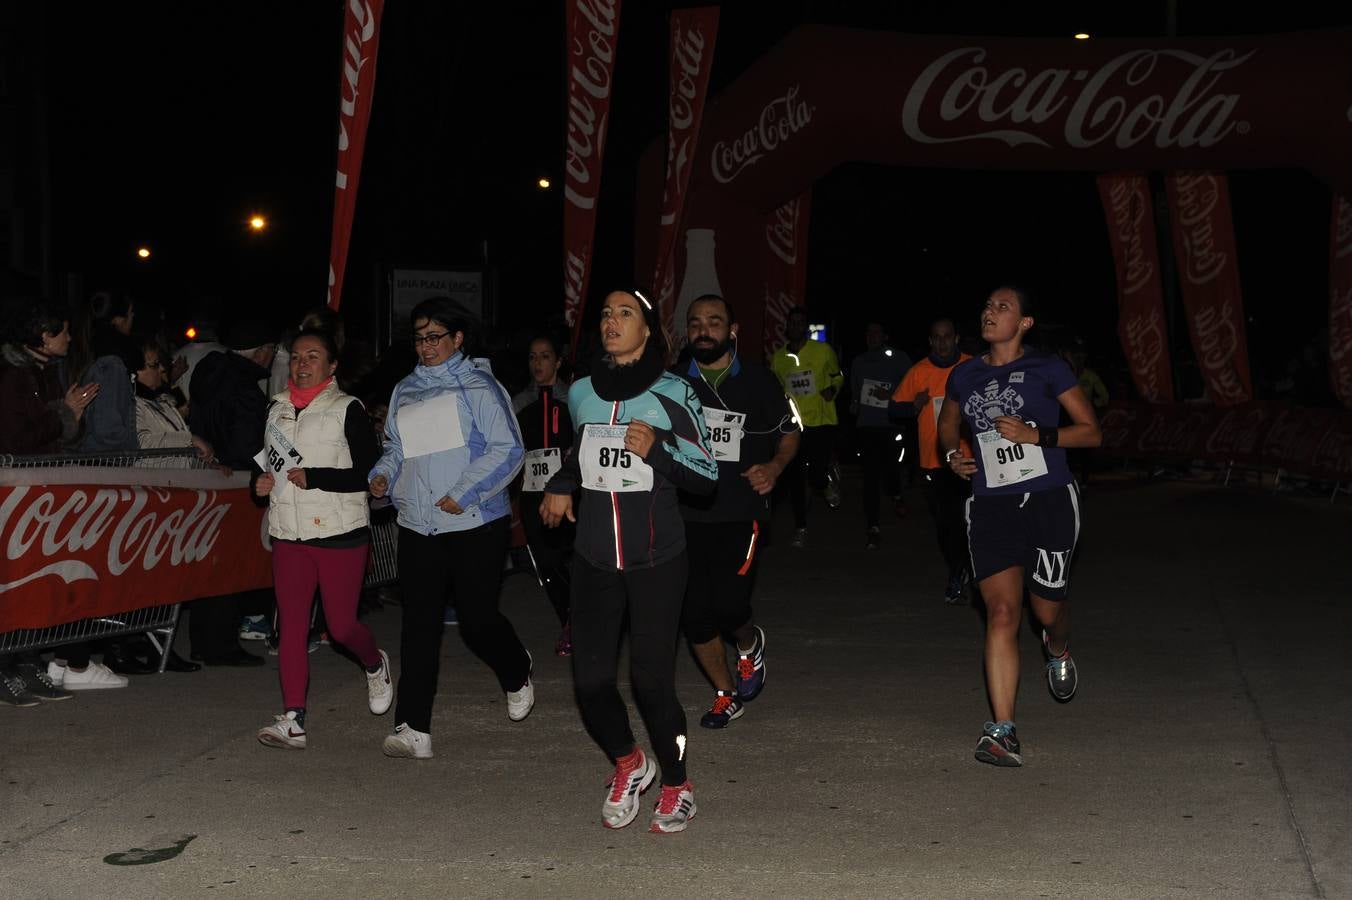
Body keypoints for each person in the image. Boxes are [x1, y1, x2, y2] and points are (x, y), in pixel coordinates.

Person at [541, 289, 717, 834]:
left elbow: (706, 475)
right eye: (606, 313)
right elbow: (581, 450)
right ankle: (628, 762)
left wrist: (658, 449)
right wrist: (563, 484)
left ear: (648, 330)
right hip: (594, 558)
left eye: (625, 313)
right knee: (590, 683)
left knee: (651, 684)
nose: (612, 321)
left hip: (656, 559)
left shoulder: (675, 391)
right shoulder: (581, 392)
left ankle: (676, 781)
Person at [938, 286, 1101, 767]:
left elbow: (1091, 432)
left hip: (1049, 500)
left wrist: (1037, 435)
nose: (990, 312)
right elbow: (948, 423)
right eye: (987, 305)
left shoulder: (1049, 367)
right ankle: (1002, 730)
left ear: (1025, 323)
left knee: (1046, 612)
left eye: (1003, 307)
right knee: (1003, 614)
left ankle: (1059, 646)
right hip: (990, 504)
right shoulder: (964, 373)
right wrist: (952, 454)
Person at [368, 298, 532, 760]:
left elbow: (507, 449)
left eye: (434, 336)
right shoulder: (406, 389)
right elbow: (396, 447)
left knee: (478, 620)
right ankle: (413, 727)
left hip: (474, 520)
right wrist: (381, 475)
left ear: (458, 339)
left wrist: (463, 492)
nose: (425, 346)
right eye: (419, 338)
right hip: (419, 523)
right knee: (419, 625)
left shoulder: (479, 386)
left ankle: (517, 669)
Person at [252, 329, 392, 749]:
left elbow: (369, 474)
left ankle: (374, 662)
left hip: (338, 533)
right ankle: (293, 718)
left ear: (332, 366)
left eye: (313, 356)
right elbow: (267, 470)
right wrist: (256, 486)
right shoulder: (274, 409)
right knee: (292, 628)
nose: (302, 363)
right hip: (288, 534)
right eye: (296, 356)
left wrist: (318, 478)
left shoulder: (347, 408)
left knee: (341, 625)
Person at [677, 295, 798, 729]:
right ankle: (725, 694)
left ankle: (749, 645)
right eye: (695, 324)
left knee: (729, 606)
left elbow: (790, 434)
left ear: (733, 331)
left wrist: (775, 467)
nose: (703, 331)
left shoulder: (761, 382)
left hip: (740, 509)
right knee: (693, 613)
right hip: (684, 512)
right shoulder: (671, 382)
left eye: (714, 322)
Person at [0, 297, 93, 702]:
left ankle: (27, 662)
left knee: (35, 582)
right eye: (63, 331)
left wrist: (68, 416)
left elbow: (58, 434)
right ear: (43, 336)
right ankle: (6, 669)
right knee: (13, 583)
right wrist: (63, 414)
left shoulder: (45, 371)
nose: (70, 338)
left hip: (37, 494)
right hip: (14, 494)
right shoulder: (11, 376)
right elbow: (15, 439)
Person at [184, 318, 276, 667]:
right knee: (231, 565)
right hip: (235, 481)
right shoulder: (244, 388)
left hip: (207, 479)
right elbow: (245, 442)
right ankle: (220, 644)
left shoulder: (210, 374)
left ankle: (203, 641)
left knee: (209, 563)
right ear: (262, 352)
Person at [891, 318, 974, 603]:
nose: (942, 342)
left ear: (957, 338)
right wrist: (912, 406)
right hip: (934, 461)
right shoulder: (919, 371)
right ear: (930, 341)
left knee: (970, 521)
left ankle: (965, 574)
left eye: (947, 336)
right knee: (945, 524)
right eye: (936, 337)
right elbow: (894, 406)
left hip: (971, 459)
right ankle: (957, 571)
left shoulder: (973, 367)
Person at [513, 334, 575, 655]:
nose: (538, 364)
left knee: (578, 560)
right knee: (547, 564)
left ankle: (582, 618)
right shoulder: (519, 403)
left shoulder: (575, 398)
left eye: (545, 357)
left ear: (558, 361)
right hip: (533, 495)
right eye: (533, 357)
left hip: (571, 495)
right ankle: (569, 621)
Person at [770, 307, 842, 548]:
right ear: (787, 327)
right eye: (793, 322)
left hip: (822, 420)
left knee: (816, 476)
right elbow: (776, 390)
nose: (797, 326)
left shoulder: (823, 351)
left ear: (807, 327)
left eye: (802, 322)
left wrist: (834, 388)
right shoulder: (779, 359)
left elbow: (837, 375)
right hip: (794, 425)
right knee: (794, 479)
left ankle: (825, 482)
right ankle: (801, 526)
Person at [849, 321, 912, 550]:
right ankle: (873, 526)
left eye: (877, 332)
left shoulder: (899, 358)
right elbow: (856, 394)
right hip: (867, 426)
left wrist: (899, 401)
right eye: (869, 332)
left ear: (885, 336)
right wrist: (854, 405)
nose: (872, 336)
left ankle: (896, 494)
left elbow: (911, 385)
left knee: (891, 469)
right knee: (870, 478)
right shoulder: (859, 362)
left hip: (892, 425)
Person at [68, 290, 140, 455]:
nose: (133, 318)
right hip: (108, 463)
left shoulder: (86, 353)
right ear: (118, 320)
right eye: (130, 313)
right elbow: (108, 428)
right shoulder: (111, 365)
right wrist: (131, 445)